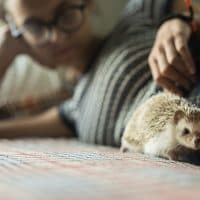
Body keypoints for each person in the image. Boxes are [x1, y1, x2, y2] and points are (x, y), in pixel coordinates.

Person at [0, 0, 199, 147]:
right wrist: (4, 54)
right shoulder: (73, 111)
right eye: (35, 27)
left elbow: (187, 5)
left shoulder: (135, 19)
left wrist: (179, 21)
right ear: (19, 32)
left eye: (66, 13)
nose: (57, 37)